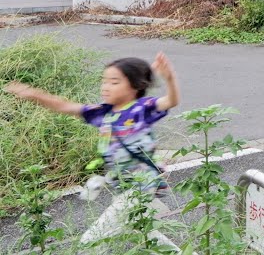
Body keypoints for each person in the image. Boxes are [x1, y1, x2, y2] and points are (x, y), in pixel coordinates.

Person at [5, 53, 181, 251]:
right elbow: (64, 106)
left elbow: (171, 101)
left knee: (92, 242)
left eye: (114, 82)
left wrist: (170, 78)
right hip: (123, 186)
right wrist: (33, 94)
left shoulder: (141, 108)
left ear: (136, 85)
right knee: (141, 228)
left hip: (141, 185)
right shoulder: (102, 112)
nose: (105, 86)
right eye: (104, 81)